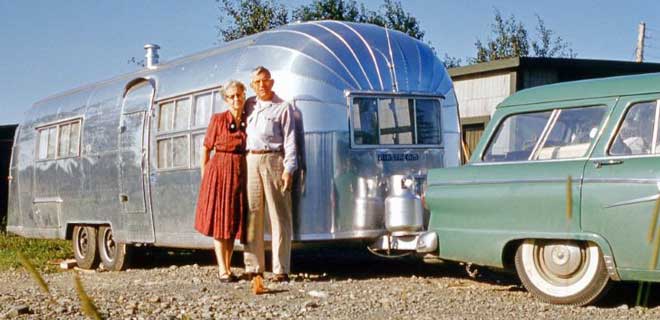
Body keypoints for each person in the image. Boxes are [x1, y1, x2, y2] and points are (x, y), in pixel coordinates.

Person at [243, 66, 297, 283]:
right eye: (257, 82)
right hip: (251, 159)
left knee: (279, 215)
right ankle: (253, 267)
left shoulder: (283, 107)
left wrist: (288, 168)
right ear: (252, 85)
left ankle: (280, 268)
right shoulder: (249, 105)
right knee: (252, 214)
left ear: (272, 82)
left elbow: (291, 140)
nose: (261, 85)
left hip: (274, 158)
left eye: (265, 81)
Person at [194, 80, 248, 283]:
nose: (236, 99)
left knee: (233, 220)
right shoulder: (217, 120)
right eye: (232, 96)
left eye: (239, 95)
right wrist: (205, 174)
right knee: (220, 220)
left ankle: (229, 265)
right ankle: (222, 269)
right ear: (226, 99)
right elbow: (206, 148)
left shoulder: (247, 120)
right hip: (219, 172)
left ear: (244, 96)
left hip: (239, 171)